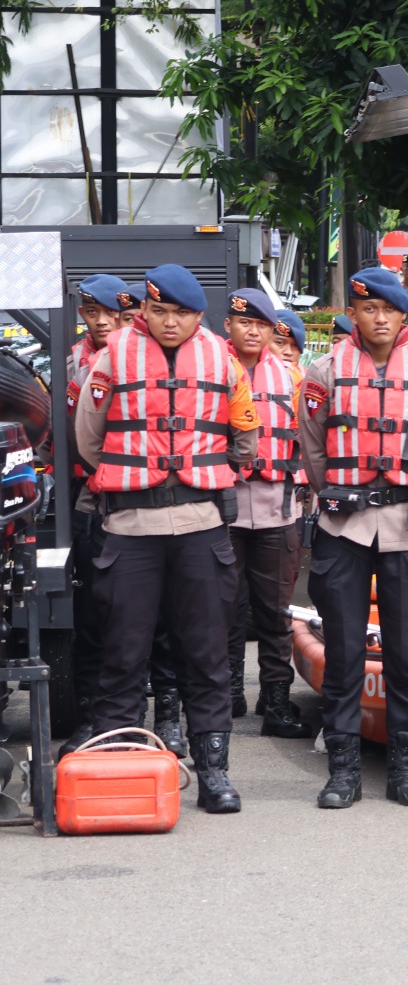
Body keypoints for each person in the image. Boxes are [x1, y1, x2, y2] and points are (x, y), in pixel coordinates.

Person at [68, 264, 262, 813]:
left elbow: (244, 438)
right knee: (123, 653)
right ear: (144, 311)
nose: (169, 322)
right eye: (160, 311)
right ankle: (118, 770)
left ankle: (214, 774)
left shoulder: (223, 365)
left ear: (200, 317)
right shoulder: (112, 360)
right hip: (131, 526)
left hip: (201, 525)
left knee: (206, 656)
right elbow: (88, 438)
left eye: (181, 313)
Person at [300, 266, 408, 807]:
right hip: (341, 526)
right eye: (369, 309)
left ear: (403, 315)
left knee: (406, 656)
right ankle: (343, 772)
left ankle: (405, 771)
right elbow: (313, 448)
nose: (380, 318)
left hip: (407, 530)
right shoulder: (323, 371)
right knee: (343, 652)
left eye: (389, 310)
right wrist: (342, 495)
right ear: (355, 314)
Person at [222, 290, 312, 739]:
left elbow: (313, 439)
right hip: (225, 507)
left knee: (276, 610)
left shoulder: (294, 377)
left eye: (263, 325)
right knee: (223, 608)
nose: (254, 331)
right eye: (245, 323)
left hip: (280, 504)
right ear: (229, 326)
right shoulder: (214, 370)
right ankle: (229, 694)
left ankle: (276, 701)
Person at [59, 274, 132, 753]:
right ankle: (91, 713)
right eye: (91, 312)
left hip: (141, 502)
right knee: (91, 612)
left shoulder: (146, 357)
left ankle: (154, 717)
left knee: (147, 616)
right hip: (90, 500)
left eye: (111, 312)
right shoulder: (69, 361)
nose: (101, 321)